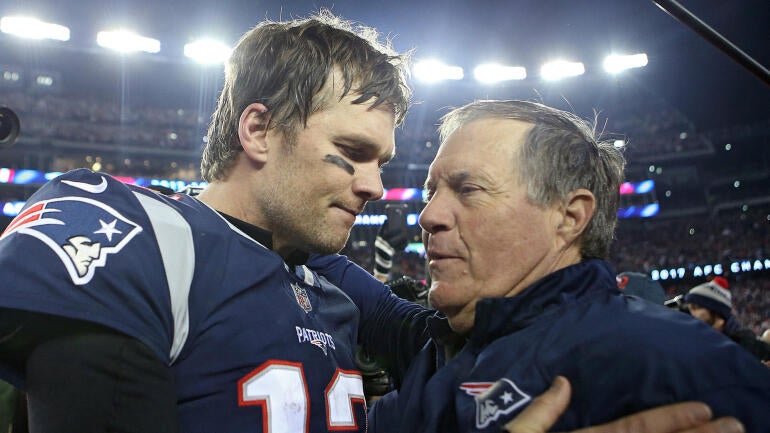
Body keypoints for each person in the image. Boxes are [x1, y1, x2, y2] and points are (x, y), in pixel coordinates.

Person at [0, 12, 745, 433]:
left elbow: (508, 329)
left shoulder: (332, 284)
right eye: (350, 154)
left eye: (381, 161)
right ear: (258, 132)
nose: (375, 188)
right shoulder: (143, 237)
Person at [359, 100, 770, 433]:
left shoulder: (686, 373)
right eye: (432, 192)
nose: (428, 216)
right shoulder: (435, 356)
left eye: (468, 190)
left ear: (570, 217)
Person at [685, 277, 770, 362]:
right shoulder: (693, 342)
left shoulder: (747, 343)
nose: (692, 313)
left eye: (696, 308)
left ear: (716, 310)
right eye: (690, 309)